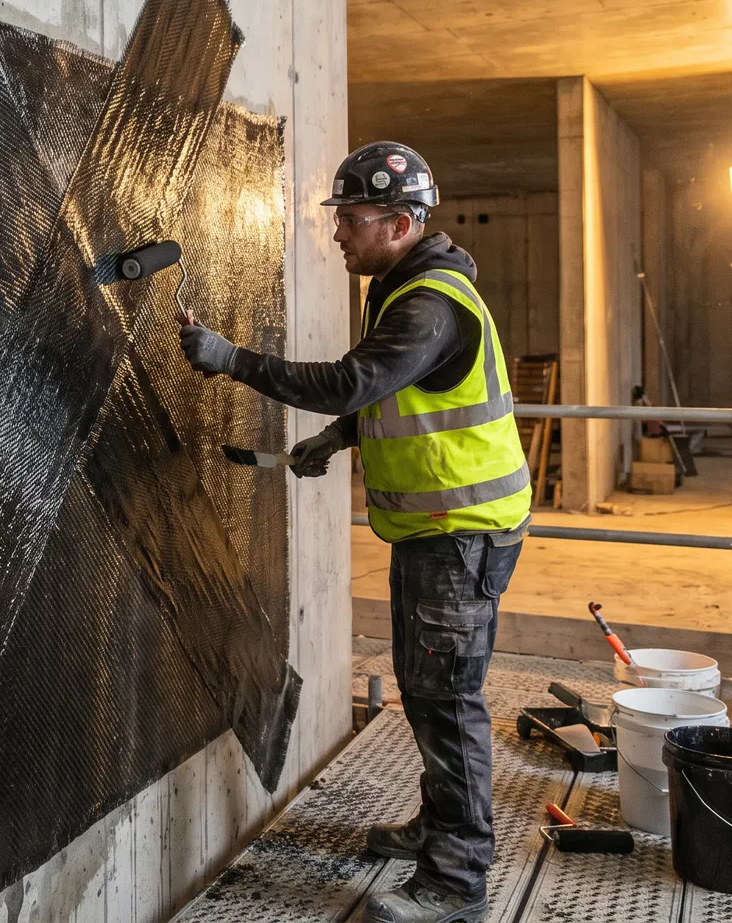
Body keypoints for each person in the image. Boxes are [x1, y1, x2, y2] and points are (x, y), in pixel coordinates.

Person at [178, 141, 531, 923]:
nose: (337, 232)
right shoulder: (402, 288)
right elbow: (388, 394)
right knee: (426, 689)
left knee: (448, 701)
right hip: (435, 530)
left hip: (461, 534)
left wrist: (231, 359)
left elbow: (351, 381)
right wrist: (341, 438)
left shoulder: (429, 304)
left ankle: (455, 881)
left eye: (351, 218)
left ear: (400, 224)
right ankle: (442, 828)